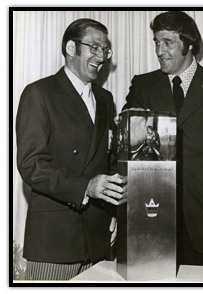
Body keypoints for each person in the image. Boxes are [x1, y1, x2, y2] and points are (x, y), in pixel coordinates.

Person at [123, 11, 203, 266]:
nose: (159, 50)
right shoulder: (143, 85)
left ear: (189, 44)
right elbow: (127, 143)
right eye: (156, 42)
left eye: (168, 42)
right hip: (150, 218)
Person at [16, 18, 127, 280]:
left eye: (105, 50)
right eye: (94, 48)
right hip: (54, 242)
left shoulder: (105, 98)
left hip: (99, 238)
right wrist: (86, 186)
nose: (101, 57)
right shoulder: (39, 93)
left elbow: (107, 161)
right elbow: (32, 165)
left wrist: (112, 211)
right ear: (70, 48)